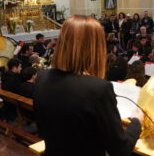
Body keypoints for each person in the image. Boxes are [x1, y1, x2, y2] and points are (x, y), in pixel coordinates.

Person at [34, 15, 142, 156]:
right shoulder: (98, 89)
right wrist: (137, 122)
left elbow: (43, 129)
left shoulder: (42, 77)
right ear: (95, 48)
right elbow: (120, 150)